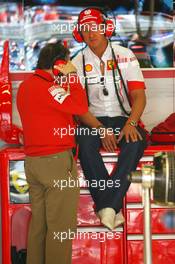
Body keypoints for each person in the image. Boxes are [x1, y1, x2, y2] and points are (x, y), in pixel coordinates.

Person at [72, 8, 147, 230]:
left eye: (94, 27)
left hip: (123, 118)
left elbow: (139, 96)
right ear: (80, 33)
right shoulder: (76, 63)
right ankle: (112, 206)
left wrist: (131, 123)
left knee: (136, 142)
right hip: (93, 121)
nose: (90, 33)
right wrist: (101, 129)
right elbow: (78, 109)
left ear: (105, 29)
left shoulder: (125, 54)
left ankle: (108, 206)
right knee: (84, 143)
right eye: (85, 29)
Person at [17, 41, 88, 264]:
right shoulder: (50, 87)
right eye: (67, 61)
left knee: (39, 226)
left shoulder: (26, 85)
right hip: (55, 162)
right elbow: (80, 107)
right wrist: (72, 77)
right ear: (59, 63)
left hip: (33, 163)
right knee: (60, 228)